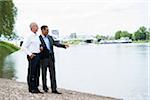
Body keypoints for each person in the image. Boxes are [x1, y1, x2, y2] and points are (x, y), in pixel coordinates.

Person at [39, 25, 69, 94]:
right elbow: (36, 46)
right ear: (42, 30)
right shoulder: (38, 38)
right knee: (44, 74)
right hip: (43, 58)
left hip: (51, 58)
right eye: (46, 30)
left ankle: (54, 89)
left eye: (48, 30)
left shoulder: (50, 37)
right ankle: (45, 88)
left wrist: (63, 46)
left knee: (53, 73)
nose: (48, 31)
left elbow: (55, 43)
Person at [21, 22, 42, 93]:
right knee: (32, 72)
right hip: (32, 56)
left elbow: (37, 45)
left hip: (38, 55)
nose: (38, 28)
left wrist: (40, 47)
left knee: (37, 73)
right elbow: (23, 47)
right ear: (32, 27)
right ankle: (31, 88)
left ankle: (36, 87)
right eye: (36, 26)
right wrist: (30, 54)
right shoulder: (29, 36)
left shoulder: (37, 36)